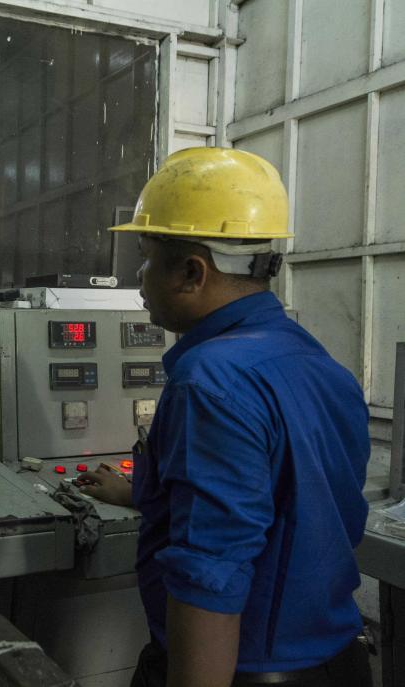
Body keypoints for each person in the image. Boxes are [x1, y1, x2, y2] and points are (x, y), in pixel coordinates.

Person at [76, 148, 372, 687]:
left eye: (145, 258)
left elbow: (211, 572)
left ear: (192, 272)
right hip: (338, 661)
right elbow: (291, 497)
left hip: (246, 669)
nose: (139, 280)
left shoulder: (210, 380)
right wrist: (146, 491)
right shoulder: (317, 362)